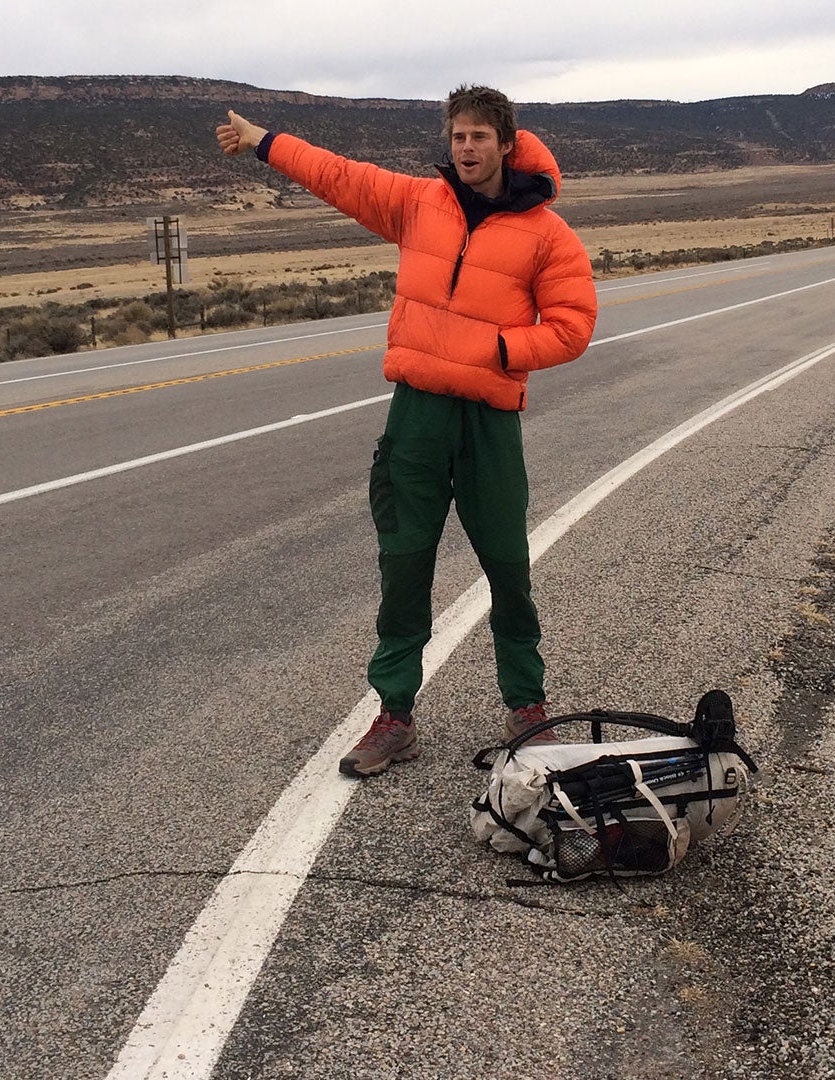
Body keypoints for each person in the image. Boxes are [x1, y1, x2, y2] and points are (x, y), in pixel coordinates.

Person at [216, 85, 598, 777]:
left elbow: (573, 326)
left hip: (487, 421)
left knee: (508, 565)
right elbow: (338, 174)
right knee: (403, 562)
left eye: (481, 136)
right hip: (416, 414)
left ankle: (528, 707)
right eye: (458, 136)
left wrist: (506, 352)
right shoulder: (420, 204)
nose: (468, 148)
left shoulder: (546, 234)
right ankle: (395, 714)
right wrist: (263, 140)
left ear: (507, 144)